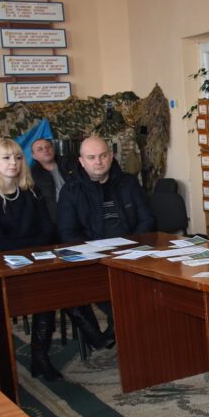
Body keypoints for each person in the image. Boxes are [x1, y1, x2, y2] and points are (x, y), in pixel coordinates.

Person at [0, 138, 62, 380]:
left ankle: (40, 356)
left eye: (18, 157)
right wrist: (29, 248)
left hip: (33, 262)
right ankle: (3, 365)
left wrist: (29, 250)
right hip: (1, 268)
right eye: (6, 158)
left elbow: (47, 230)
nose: (13, 162)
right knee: (1, 304)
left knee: (52, 288)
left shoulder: (31, 192)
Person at [57, 135, 156, 350]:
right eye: (91, 157)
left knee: (151, 289)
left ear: (111, 156)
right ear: (82, 161)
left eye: (103, 156)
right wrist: (95, 253)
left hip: (131, 252)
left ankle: (120, 332)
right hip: (95, 260)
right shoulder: (71, 191)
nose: (98, 162)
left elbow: (147, 218)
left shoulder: (129, 183)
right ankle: (121, 332)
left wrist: (132, 246)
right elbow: (67, 233)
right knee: (116, 293)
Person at [29, 137, 72, 222]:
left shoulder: (68, 162)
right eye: (40, 149)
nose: (46, 150)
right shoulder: (33, 175)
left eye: (48, 147)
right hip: (54, 216)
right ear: (34, 156)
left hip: (77, 206)